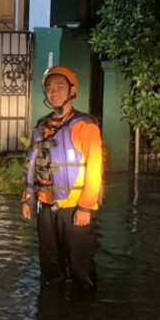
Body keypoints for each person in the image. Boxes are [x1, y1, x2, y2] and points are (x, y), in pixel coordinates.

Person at [22, 66, 104, 288]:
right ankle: (50, 317)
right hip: (45, 205)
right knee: (50, 269)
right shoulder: (41, 126)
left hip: (74, 208)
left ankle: (81, 318)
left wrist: (86, 208)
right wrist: (27, 197)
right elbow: (32, 162)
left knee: (80, 270)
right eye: (49, 89)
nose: (54, 93)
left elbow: (95, 169)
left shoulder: (84, 125)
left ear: (72, 90)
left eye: (60, 88)